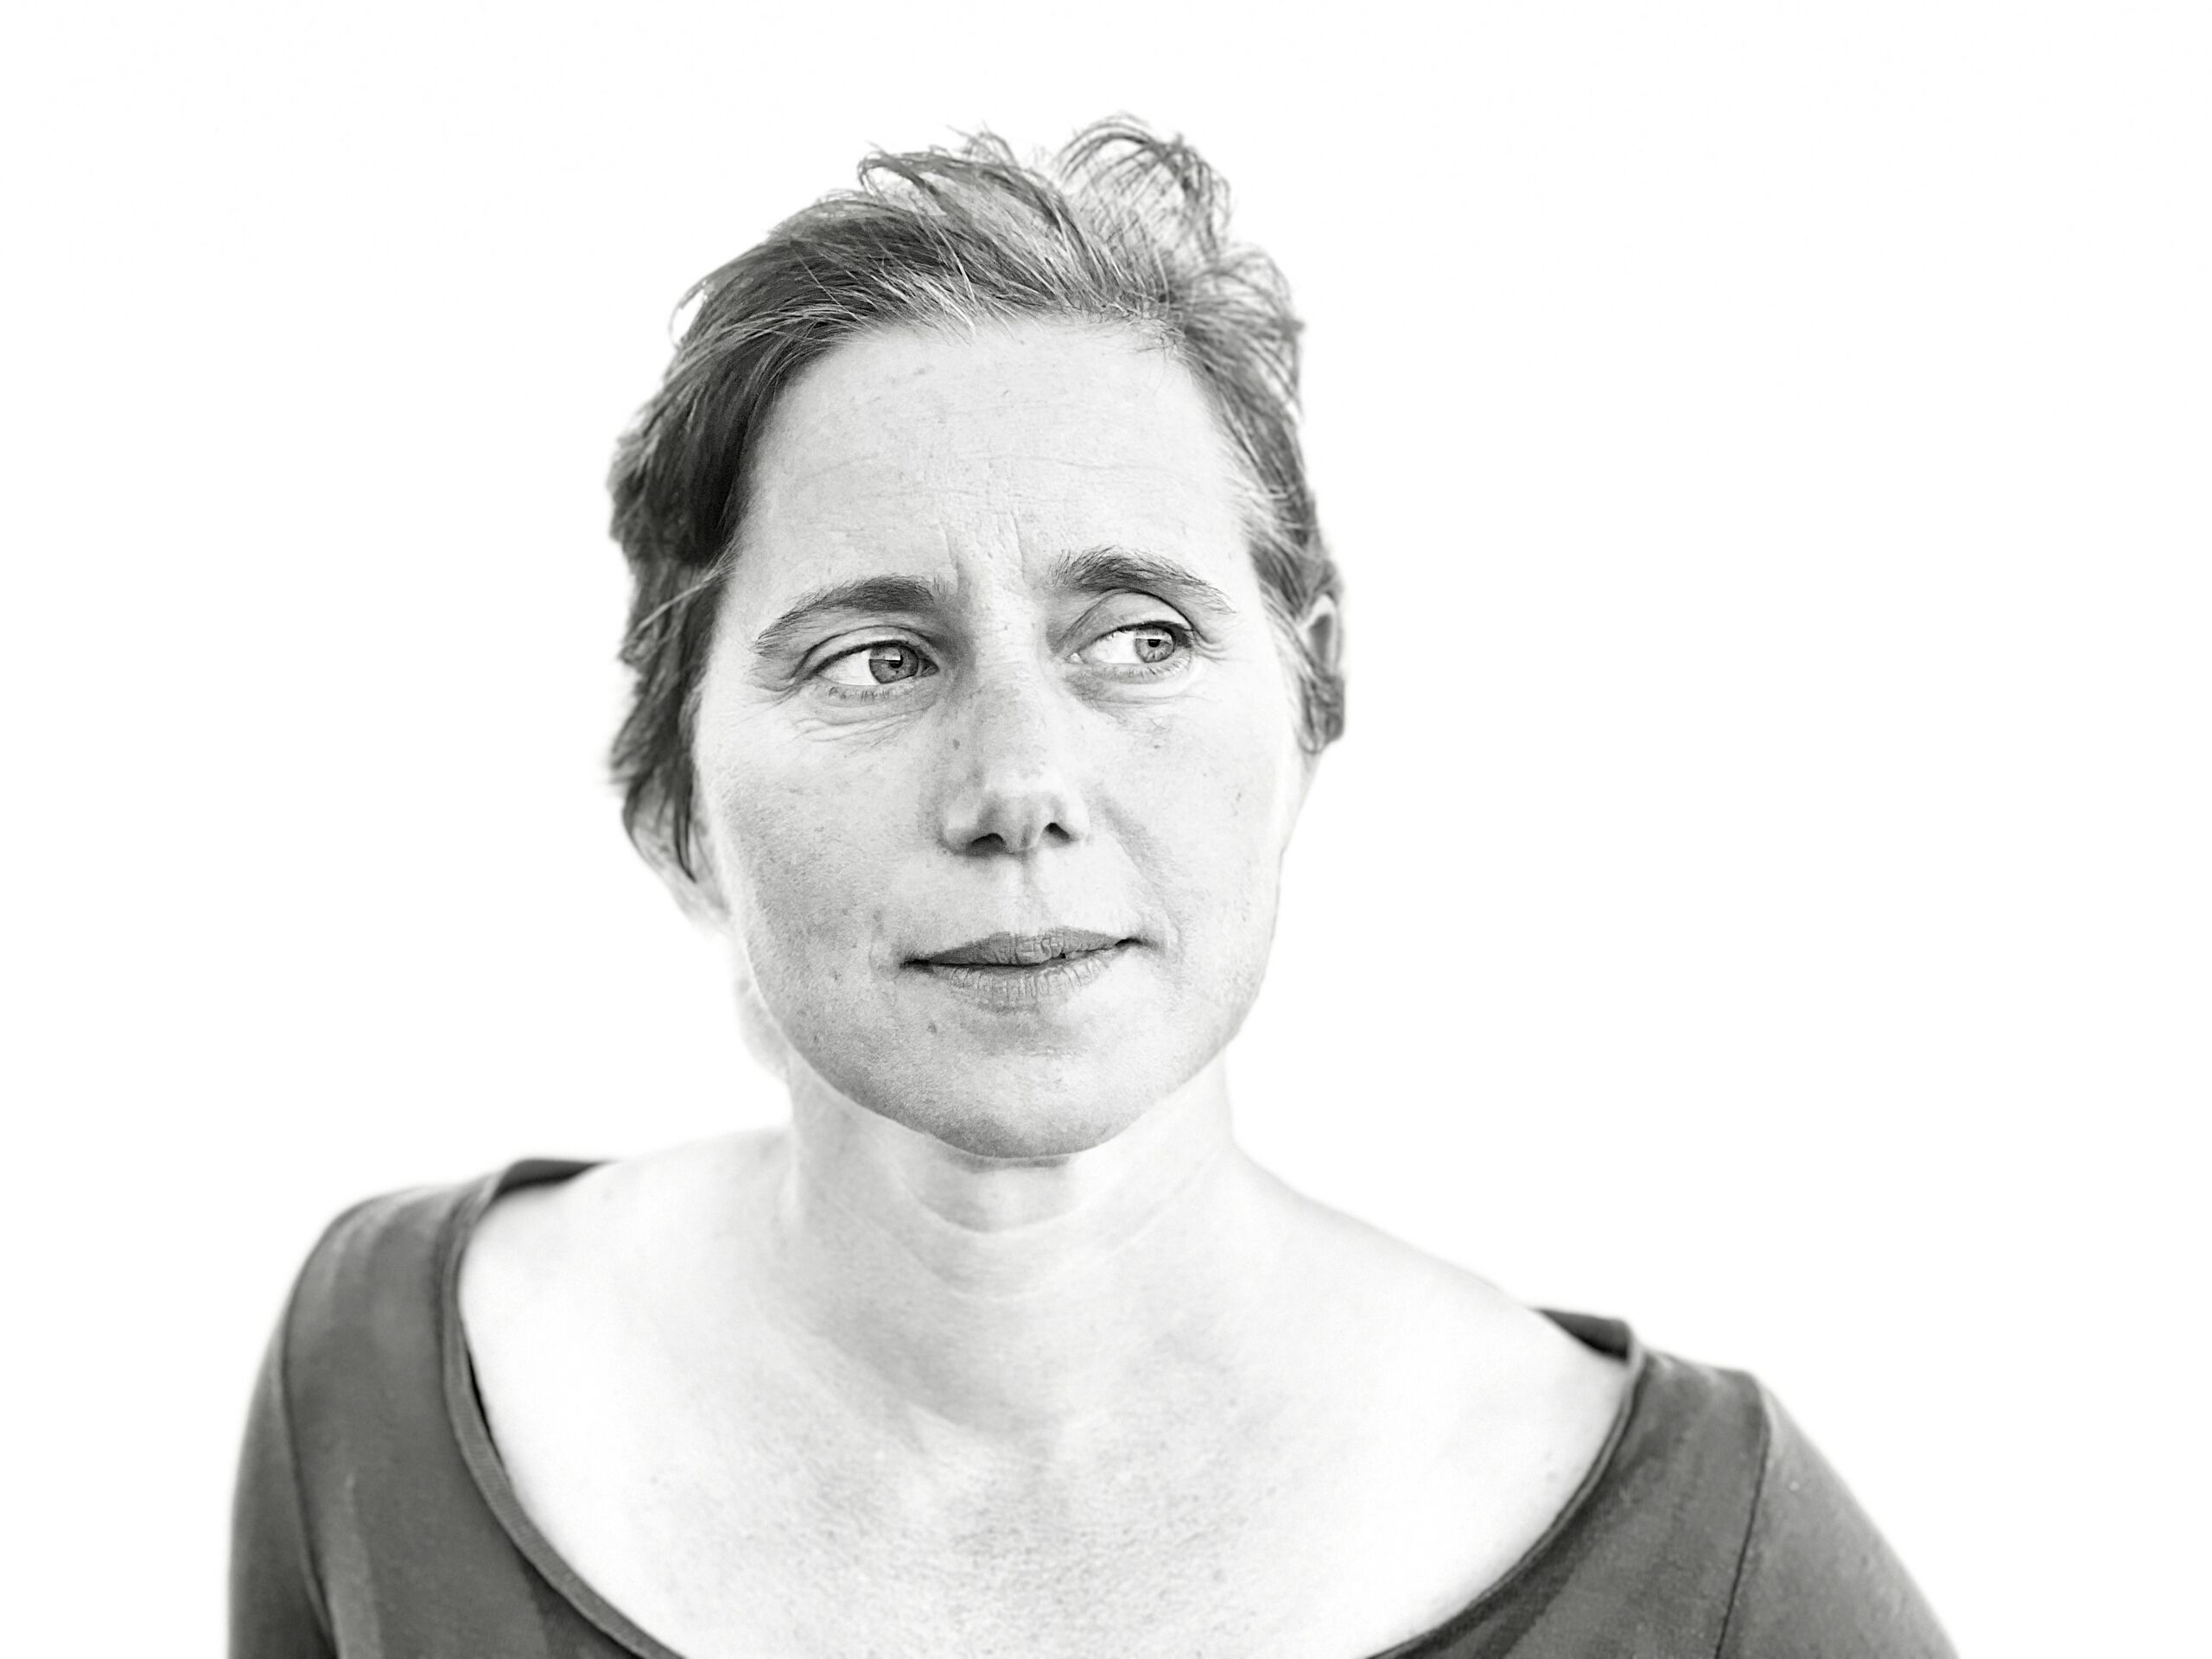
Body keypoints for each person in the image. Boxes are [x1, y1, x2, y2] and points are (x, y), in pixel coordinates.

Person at [229, 122, 1954, 1659]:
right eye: (876, 658)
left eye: (1137, 639)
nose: (1017, 788)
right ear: (676, 792)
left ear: (1312, 698)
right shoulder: (380, 1382)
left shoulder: (1712, 1562)